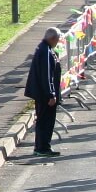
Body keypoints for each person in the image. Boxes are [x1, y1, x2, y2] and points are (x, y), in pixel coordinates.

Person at [25, 28, 63, 158]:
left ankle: (41, 146)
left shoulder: (44, 49)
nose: (57, 43)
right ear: (52, 39)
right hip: (44, 95)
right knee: (45, 121)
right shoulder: (45, 52)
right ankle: (42, 147)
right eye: (57, 40)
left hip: (42, 93)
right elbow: (47, 76)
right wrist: (51, 94)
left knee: (44, 120)